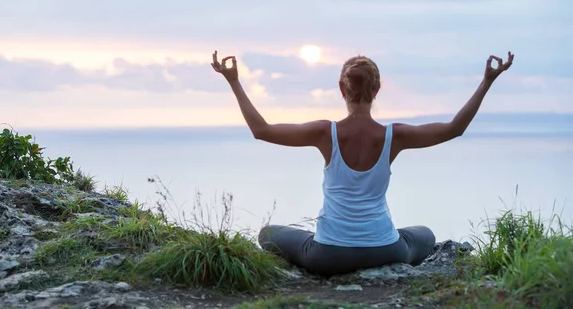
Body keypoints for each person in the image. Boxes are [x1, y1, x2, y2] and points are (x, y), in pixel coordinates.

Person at [210, 50, 515, 277]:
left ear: (341, 90)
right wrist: (487, 81)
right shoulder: (394, 136)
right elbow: (454, 129)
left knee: (268, 234)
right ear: (377, 91)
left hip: (326, 255)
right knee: (425, 234)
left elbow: (261, 130)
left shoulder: (324, 132)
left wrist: (234, 81)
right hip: (386, 249)